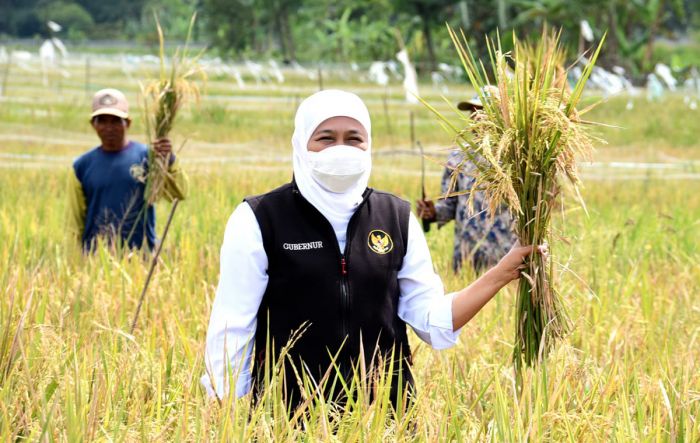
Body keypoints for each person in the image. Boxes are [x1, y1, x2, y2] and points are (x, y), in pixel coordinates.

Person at [201, 90, 544, 408]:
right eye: (325, 138)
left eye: (353, 139)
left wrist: (503, 272)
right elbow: (233, 327)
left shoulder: (395, 217)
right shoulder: (259, 219)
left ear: (368, 145)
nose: (341, 149)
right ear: (301, 144)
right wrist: (223, 404)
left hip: (383, 414)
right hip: (289, 414)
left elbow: (433, 322)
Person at [66, 88, 189, 251]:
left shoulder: (148, 158)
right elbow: (74, 223)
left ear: (128, 123)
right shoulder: (81, 166)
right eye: (102, 120)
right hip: (96, 258)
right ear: (93, 125)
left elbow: (179, 194)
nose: (109, 127)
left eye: (116, 120)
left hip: (141, 258)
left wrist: (169, 159)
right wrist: (75, 259)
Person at [416, 96, 517, 273]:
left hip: (506, 260)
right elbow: (448, 206)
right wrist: (433, 213)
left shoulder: (516, 157)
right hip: (466, 259)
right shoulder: (458, 157)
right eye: (472, 111)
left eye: (482, 112)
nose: (476, 117)